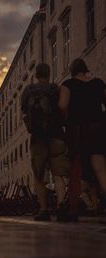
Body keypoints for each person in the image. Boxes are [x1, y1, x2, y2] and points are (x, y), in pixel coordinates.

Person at [21, 63, 70, 221]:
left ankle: (43, 210)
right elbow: (63, 110)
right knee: (58, 174)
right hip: (56, 135)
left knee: (39, 176)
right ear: (49, 74)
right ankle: (61, 205)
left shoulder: (27, 91)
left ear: (35, 74)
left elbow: (23, 113)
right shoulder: (55, 89)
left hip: (37, 138)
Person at [59, 58, 106, 221]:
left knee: (76, 169)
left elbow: (63, 105)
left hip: (77, 130)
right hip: (98, 128)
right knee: (100, 167)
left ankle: (72, 210)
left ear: (72, 71)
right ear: (85, 69)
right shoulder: (99, 83)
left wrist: (65, 120)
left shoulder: (68, 85)